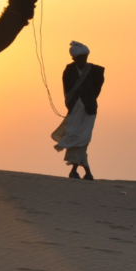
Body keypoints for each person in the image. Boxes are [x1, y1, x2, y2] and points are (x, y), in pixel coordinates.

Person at [52, 41, 105, 180]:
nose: (82, 61)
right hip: (75, 109)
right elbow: (67, 89)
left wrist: (88, 100)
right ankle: (84, 172)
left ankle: (79, 171)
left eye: (84, 58)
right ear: (74, 59)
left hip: (89, 110)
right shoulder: (69, 70)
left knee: (83, 139)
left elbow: (97, 89)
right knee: (76, 138)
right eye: (79, 59)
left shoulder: (95, 71)